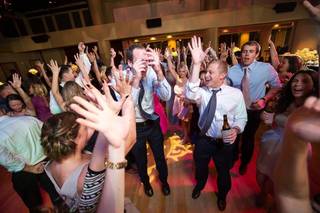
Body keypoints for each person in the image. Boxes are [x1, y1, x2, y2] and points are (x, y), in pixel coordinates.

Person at [186, 36, 247, 211]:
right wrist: (197, 65)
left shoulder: (235, 94)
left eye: (211, 72)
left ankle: (222, 196)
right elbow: (190, 95)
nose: (207, 75)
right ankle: (200, 185)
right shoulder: (202, 93)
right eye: (206, 71)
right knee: (201, 167)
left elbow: (242, 118)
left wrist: (236, 129)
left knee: (223, 173)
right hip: (204, 140)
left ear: (222, 76)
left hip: (224, 143)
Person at [257, 70, 318, 207]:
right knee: (261, 174)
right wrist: (266, 118)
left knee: (282, 182)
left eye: (304, 81)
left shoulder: (313, 108)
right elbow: (272, 118)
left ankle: (276, 204)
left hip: (293, 150)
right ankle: (263, 192)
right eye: (295, 81)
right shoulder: (285, 101)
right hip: (272, 143)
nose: (297, 84)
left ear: (313, 86)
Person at [228, 40, 281, 175]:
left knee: (248, 137)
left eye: (251, 52)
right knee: (234, 135)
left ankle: (244, 163)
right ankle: (233, 158)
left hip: (254, 110)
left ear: (256, 54)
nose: (246, 55)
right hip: (236, 110)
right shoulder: (232, 71)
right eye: (244, 51)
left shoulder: (266, 68)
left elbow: (277, 86)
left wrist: (265, 99)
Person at [127, 44, 171, 197]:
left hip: (152, 124)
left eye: (145, 60)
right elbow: (128, 106)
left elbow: (166, 96)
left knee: (160, 156)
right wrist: (136, 79)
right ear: (130, 63)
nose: (144, 64)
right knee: (140, 160)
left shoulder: (152, 72)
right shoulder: (123, 78)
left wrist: (159, 71)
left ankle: (164, 181)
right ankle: (146, 183)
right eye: (139, 60)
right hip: (135, 128)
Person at [0, 112, 61, 212]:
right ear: (2, 111)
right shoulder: (28, 119)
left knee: (35, 205)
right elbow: (48, 135)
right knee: (57, 195)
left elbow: (5, 159)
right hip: (47, 161)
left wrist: (30, 168)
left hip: (24, 170)